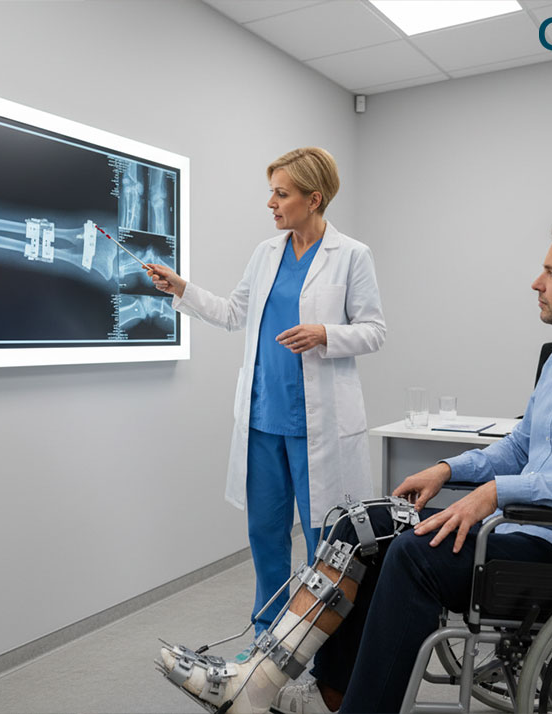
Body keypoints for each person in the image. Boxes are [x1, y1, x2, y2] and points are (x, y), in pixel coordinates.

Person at [157, 218, 552, 714]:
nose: (537, 282)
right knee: (360, 525)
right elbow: (519, 446)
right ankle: (300, 686)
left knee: (413, 556)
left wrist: (497, 493)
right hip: (525, 529)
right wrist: (447, 471)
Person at [147, 147, 385, 638]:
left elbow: (374, 330)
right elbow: (235, 313)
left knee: (325, 542)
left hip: (318, 426)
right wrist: (181, 289)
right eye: (272, 193)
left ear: (313, 199)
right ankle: (265, 645)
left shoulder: (352, 256)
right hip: (262, 419)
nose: (271, 204)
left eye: (282, 194)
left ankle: (325, 654)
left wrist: (325, 333)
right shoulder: (266, 253)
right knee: (265, 538)